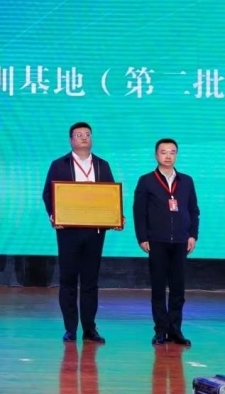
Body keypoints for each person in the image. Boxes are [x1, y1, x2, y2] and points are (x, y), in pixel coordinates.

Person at [42, 122, 123, 344]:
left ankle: (90, 329)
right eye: (79, 135)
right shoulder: (59, 164)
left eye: (87, 134)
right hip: (68, 231)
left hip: (95, 232)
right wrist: (54, 215)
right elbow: (48, 194)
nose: (84, 138)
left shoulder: (102, 165)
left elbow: (110, 195)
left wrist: (116, 216)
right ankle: (70, 328)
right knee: (68, 280)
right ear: (71, 140)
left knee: (90, 281)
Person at [133, 138, 200, 347]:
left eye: (172, 152)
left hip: (181, 241)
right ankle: (160, 330)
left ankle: (175, 330)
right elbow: (139, 212)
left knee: (178, 289)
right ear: (156, 155)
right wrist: (142, 237)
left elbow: (193, 210)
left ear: (176, 155)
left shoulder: (186, 181)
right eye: (163, 152)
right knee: (159, 288)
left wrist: (192, 235)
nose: (168, 156)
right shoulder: (146, 180)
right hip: (157, 241)